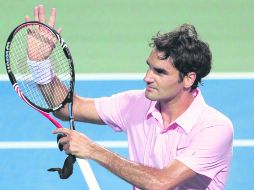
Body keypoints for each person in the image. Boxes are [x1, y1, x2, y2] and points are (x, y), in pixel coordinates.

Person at [26, 5, 233, 190]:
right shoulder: (136, 103)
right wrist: (39, 64)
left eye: (160, 72)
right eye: (148, 67)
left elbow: (160, 183)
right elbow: (68, 108)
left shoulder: (214, 128)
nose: (146, 78)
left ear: (188, 79)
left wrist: (93, 150)